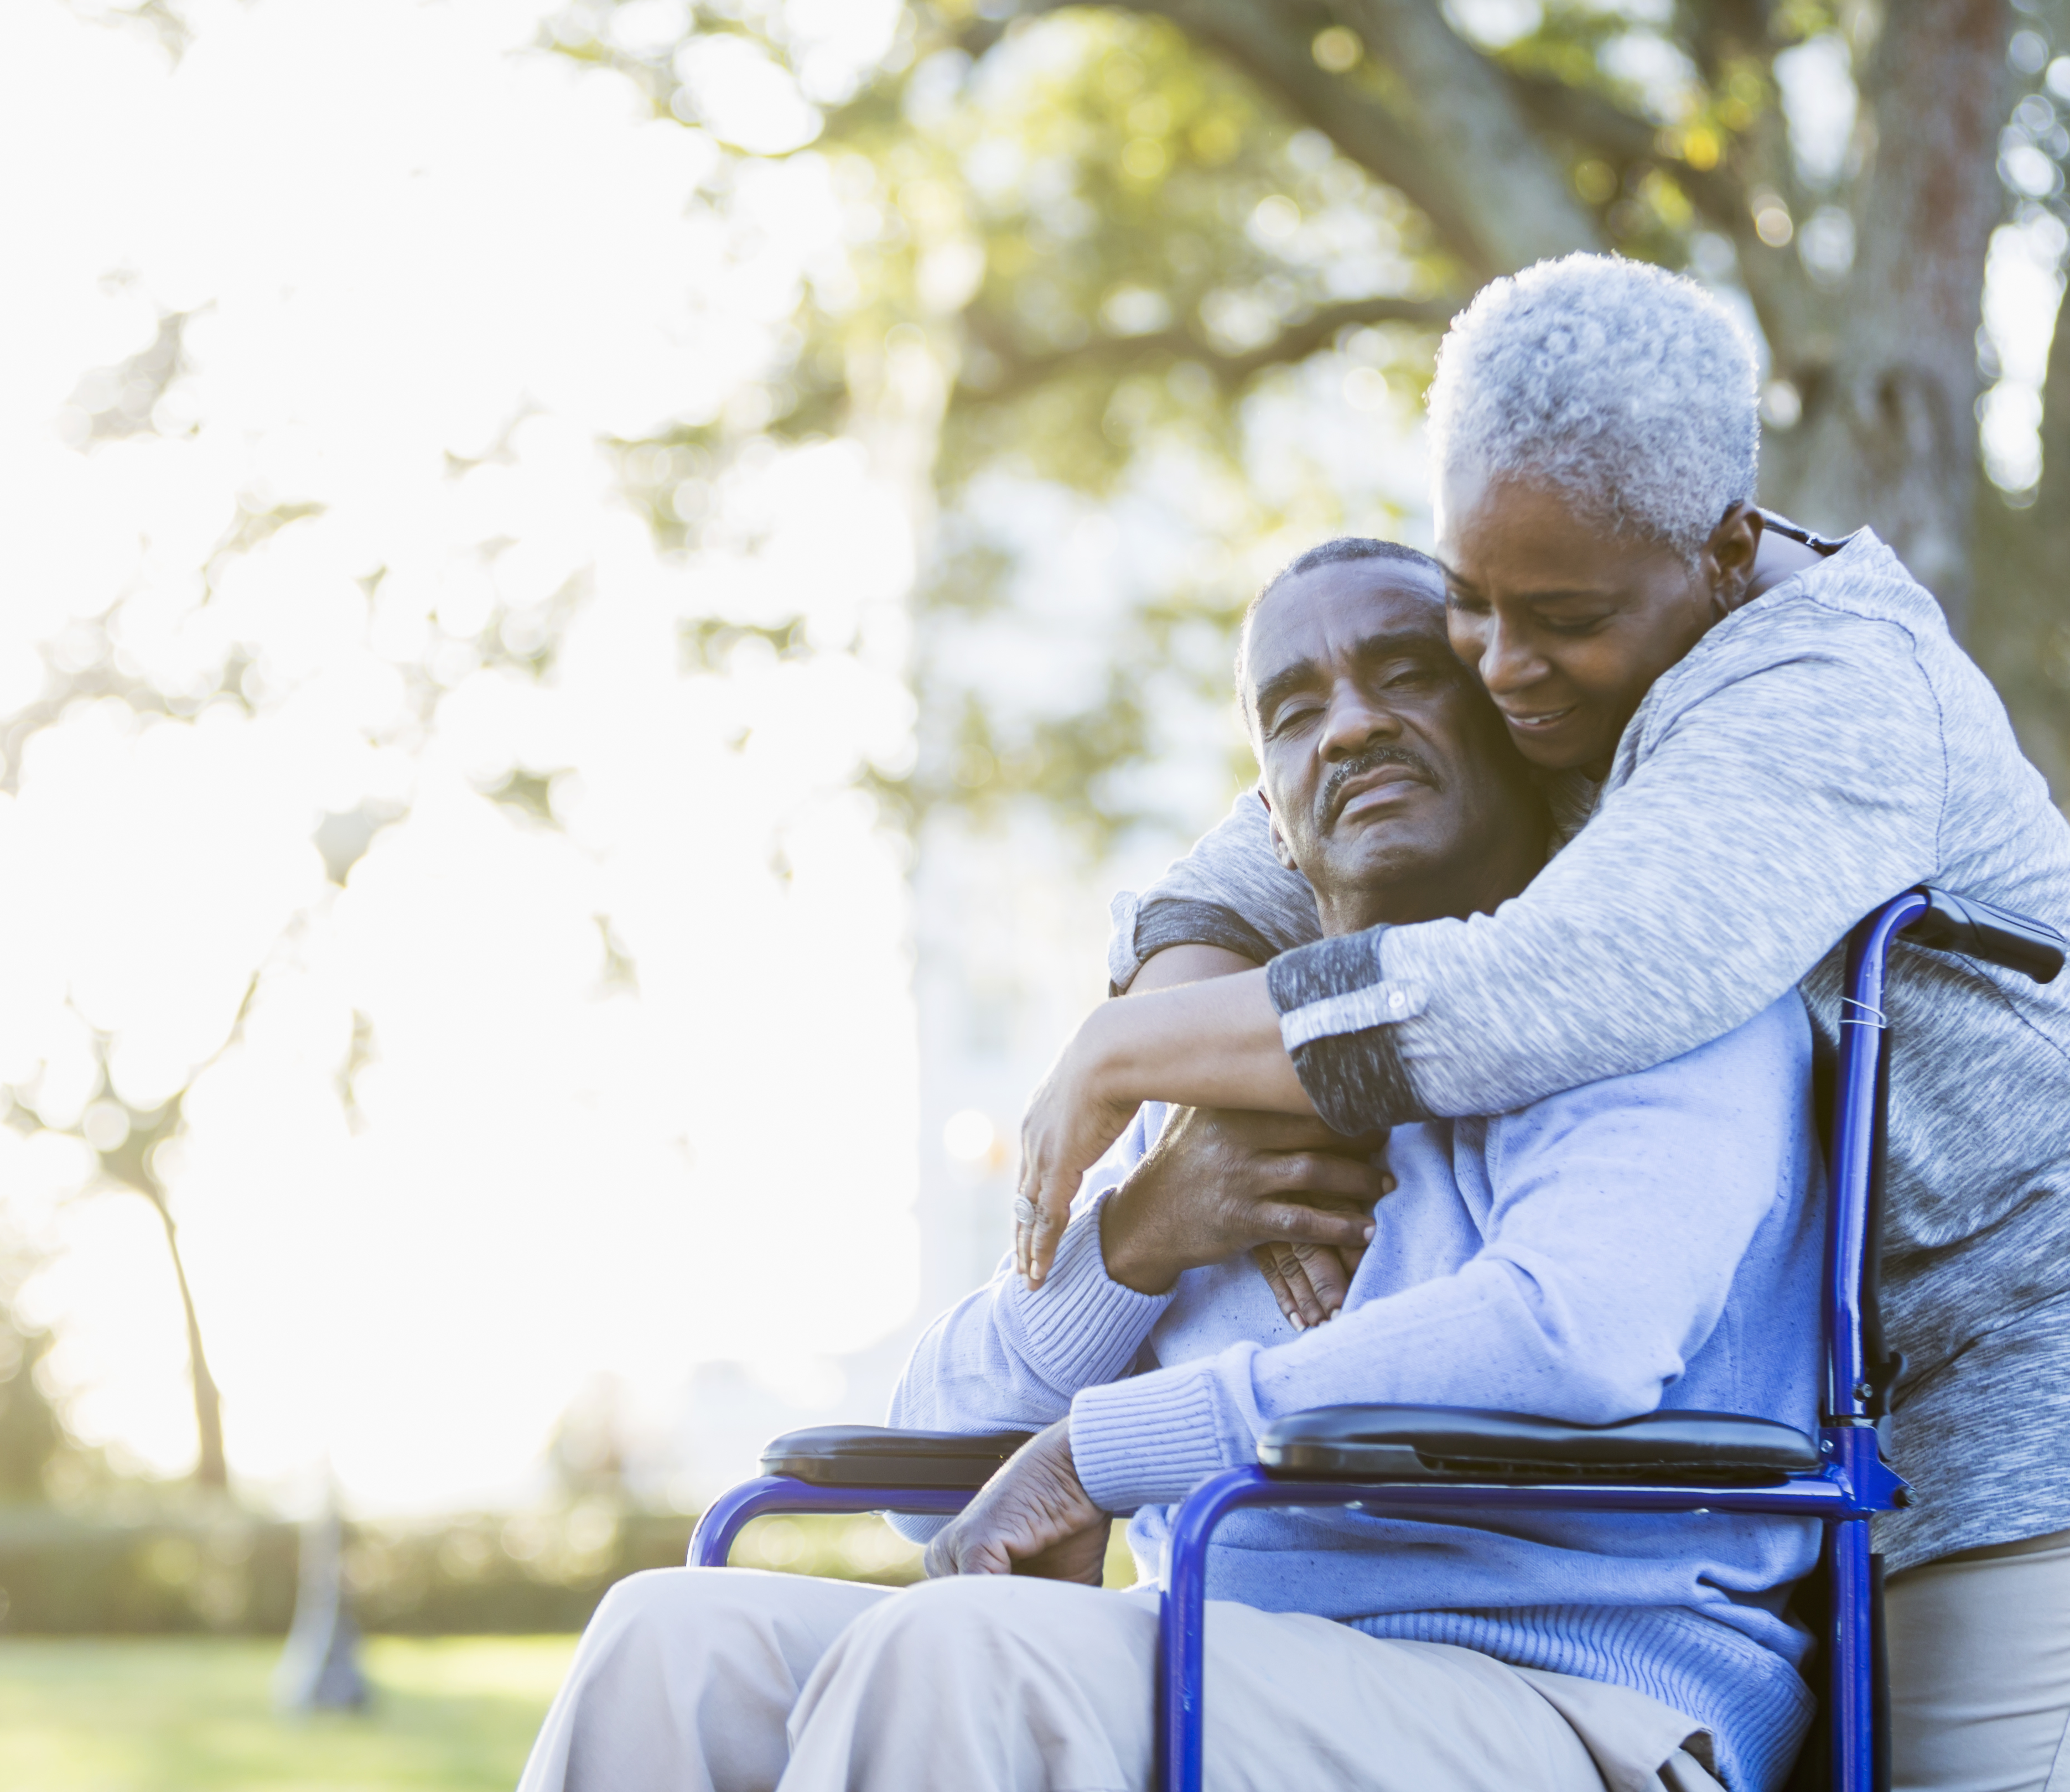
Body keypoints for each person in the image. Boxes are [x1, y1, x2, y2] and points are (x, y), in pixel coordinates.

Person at [1014, 254, 2070, 1792]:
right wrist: (1212, 1105)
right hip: (1862, 1351)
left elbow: (1541, 994)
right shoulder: (1545, 653)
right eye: (1471, 605)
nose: (1502, 670)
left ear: (1722, 551)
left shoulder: (1821, 693)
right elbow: (1232, 877)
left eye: (1559, 618)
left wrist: (1121, 1058)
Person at [517, 538, 1828, 1792]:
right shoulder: (1216, 1063)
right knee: (668, 1643)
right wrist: (1134, 1240)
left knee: (961, 1657)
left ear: (1511, 714)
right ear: (1272, 818)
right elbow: (929, 1471)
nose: (1352, 725)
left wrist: (1105, 1450)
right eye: (1296, 709)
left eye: (1406, 672)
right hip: (1227, 1669)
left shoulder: (1653, 981)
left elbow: (1573, 1333)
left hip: (1570, 1695)